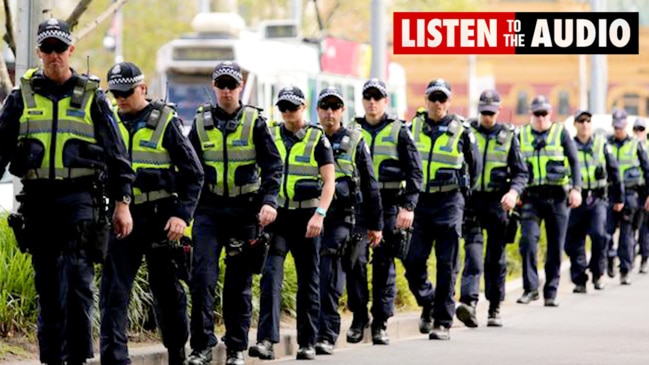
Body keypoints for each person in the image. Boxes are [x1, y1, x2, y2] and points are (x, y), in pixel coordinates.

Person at [0, 19, 135, 365]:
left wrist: (123, 205)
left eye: (60, 48)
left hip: (81, 200)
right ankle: (53, 360)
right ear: (39, 53)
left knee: (77, 282)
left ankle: (77, 358)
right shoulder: (21, 97)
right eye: (47, 49)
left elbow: (118, 155)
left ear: (71, 50)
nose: (54, 55)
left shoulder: (93, 97)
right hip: (39, 200)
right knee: (48, 286)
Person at [100, 62, 204, 365]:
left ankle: (176, 353)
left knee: (167, 293)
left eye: (126, 93)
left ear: (142, 89)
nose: (121, 99)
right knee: (113, 292)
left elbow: (194, 174)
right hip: (122, 216)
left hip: (160, 219)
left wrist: (182, 216)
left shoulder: (165, 121)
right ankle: (115, 359)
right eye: (115, 93)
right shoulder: (109, 122)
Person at [186, 61, 282, 365]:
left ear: (240, 86)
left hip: (245, 212)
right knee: (202, 278)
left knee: (238, 284)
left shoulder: (255, 122)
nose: (226, 91)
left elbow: (273, 166)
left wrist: (269, 201)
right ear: (214, 87)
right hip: (209, 211)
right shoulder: (200, 124)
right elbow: (189, 167)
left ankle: (236, 348)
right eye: (221, 85)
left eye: (232, 85)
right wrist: (184, 208)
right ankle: (201, 347)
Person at [249, 86, 335, 360]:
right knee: (270, 277)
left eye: (293, 107)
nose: (287, 112)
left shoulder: (316, 138)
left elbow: (330, 182)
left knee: (309, 281)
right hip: (277, 219)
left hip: (307, 218)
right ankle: (265, 341)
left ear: (303, 107)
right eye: (283, 107)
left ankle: (307, 342)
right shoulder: (271, 134)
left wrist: (319, 215)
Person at [346, 79, 423, 345]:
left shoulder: (399, 131)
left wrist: (408, 206)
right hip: (358, 207)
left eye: (377, 97)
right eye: (367, 96)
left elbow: (415, 172)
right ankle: (359, 318)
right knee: (354, 262)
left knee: (383, 265)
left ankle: (380, 323)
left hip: (390, 206)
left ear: (385, 101)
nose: (371, 101)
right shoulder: (351, 129)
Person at [402, 79, 480, 340]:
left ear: (449, 101)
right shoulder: (412, 127)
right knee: (412, 260)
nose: (437, 103)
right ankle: (429, 300)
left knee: (447, 265)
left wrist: (464, 198)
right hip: (421, 202)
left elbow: (475, 166)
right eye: (433, 98)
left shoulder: (462, 131)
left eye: (442, 99)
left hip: (449, 202)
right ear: (425, 100)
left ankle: (442, 322)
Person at [314, 87, 383, 355]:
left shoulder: (355, 140)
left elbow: (370, 184)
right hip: (319, 217)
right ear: (318, 110)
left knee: (355, 270)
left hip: (353, 217)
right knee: (327, 275)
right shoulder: (311, 138)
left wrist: (376, 225)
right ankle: (326, 333)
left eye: (335, 107)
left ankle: (359, 316)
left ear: (343, 111)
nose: (330, 113)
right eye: (325, 107)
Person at [456, 89, 527, 328]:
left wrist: (513, 192)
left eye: (491, 113)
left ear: (498, 110)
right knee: (474, 258)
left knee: (495, 260)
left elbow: (521, 173)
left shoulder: (508, 136)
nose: (487, 117)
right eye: (484, 112)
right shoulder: (468, 133)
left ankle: (495, 307)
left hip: (498, 205)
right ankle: (469, 304)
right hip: (473, 203)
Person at [517, 95, 582, 307]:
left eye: (544, 113)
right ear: (531, 114)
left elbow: (574, 162)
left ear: (550, 114)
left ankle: (551, 291)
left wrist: (576, 189)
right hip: (531, 198)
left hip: (557, 198)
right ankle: (530, 289)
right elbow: (513, 165)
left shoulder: (560, 132)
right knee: (528, 241)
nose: (541, 117)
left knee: (555, 246)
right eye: (537, 113)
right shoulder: (522, 134)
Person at [564, 110, 623, 293]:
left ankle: (597, 272)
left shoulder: (601, 143)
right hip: (575, 199)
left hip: (597, 198)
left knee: (599, 235)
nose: (585, 124)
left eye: (588, 121)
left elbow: (614, 171)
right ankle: (579, 279)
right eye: (581, 121)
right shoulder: (569, 146)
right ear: (575, 124)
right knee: (574, 241)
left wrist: (619, 197)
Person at [605, 109, 649, 285]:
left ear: (626, 126)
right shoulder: (605, 143)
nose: (618, 130)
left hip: (631, 194)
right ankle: (609, 259)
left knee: (626, 234)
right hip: (609, 193)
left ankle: (625, 269)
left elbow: (647, 171)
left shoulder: (635, 145)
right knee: (605, 232)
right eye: (615, 126)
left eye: (621, 127)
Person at [632, 117, 649, 274]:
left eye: (641, 130)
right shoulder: (630, 147)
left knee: (644, 226)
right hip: (634, 190)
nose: (638, 133)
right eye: (636, 130)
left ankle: (644, 257)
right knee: (632, 224)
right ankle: (630, 257)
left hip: (647, 191)